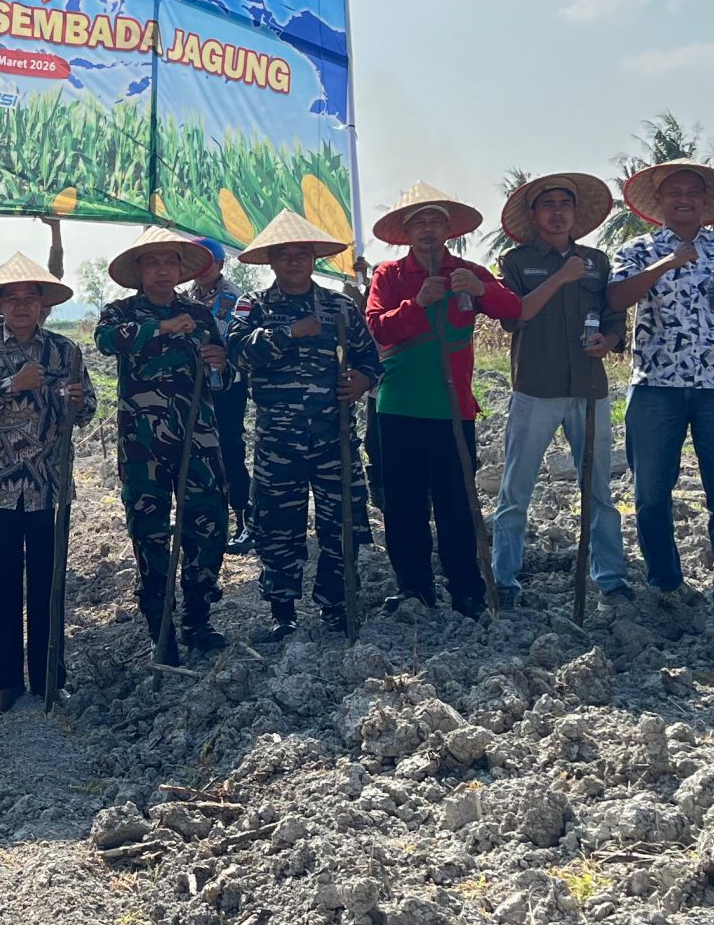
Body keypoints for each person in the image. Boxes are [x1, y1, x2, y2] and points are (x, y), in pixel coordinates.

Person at [605, 159, 714, 614]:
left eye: (693, 192)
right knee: (651, 493)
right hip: (657, 385)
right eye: (674, 192)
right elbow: (616, 298)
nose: (684, 199)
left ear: (705, 202)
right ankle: (665, 583)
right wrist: (667, 264)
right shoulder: (638, 249)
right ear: (658, 203)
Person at [363, 183, 520, 618]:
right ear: (407, 232)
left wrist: (483, 290)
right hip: (397, 407)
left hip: (454, 410)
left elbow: (514, 310)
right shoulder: (389, 276)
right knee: (403, 504)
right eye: (420, 223)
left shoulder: (468, 271)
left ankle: (467, 589)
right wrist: (417, 304)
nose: (428, 230)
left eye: (436, 222)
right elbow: (377, 328)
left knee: (457, 502)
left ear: (448, 229)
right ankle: (414, 588)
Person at [0, 253, 92, 710]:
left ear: (43, 305)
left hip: (48, 483)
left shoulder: (65, 351)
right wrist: (13, 383)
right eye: (11, 298)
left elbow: (88, 408)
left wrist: (75, 400)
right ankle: (4, 682)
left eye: (29, 298)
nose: (20, 306)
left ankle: (50, 676)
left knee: (49, 582)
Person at [233, 209, 377, 640]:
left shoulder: (340, 306)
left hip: (336, 440)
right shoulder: (254, 305)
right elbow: (238, 351)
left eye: (302, 253)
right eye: (284, 254)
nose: (294, 261)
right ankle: (282, 611)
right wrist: (289, 333)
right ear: (271, 261)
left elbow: (370, 357)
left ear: (314, 258)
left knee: (342, 526)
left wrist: (364, 379)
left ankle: (337, 605)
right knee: (278, 528)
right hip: (278, 442)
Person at [491, 174, 629, 611]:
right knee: (516, 489)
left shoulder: (597, 261)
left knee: (600, 490)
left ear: (575, 213)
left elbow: (613, 317)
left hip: (590, 390)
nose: (556, 212)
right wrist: (560, 278)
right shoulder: (515, 262)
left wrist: (607, 341)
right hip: (536, 388)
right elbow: (512, 317)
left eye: (563, 204)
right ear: (534, 216)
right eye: (547, 204)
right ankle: (505, 580)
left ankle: (610, 578)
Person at [94, 226, 230, 658]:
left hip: (199, 439)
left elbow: (221, 379)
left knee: (207, 524)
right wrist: (165, 326)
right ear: (138, 271)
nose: (161, 270)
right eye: (151, 262)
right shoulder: (120, 314)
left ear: (179, 269)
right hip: (143, 444)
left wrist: (219, 362)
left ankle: (197, 617)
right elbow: (106, 342)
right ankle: (160, 626)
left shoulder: (202, 315)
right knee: (149, 531)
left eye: (168, 262)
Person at [187, 243, 254, 550]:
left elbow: (241, 341)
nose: (200, 269)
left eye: (207, 263)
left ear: (219, 263)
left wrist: (224, 356)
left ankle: (244, 519)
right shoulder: (188, 297)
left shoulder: (234, 297)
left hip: (228, 385)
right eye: (195, 263)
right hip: (196, 387)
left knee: (229, 446)